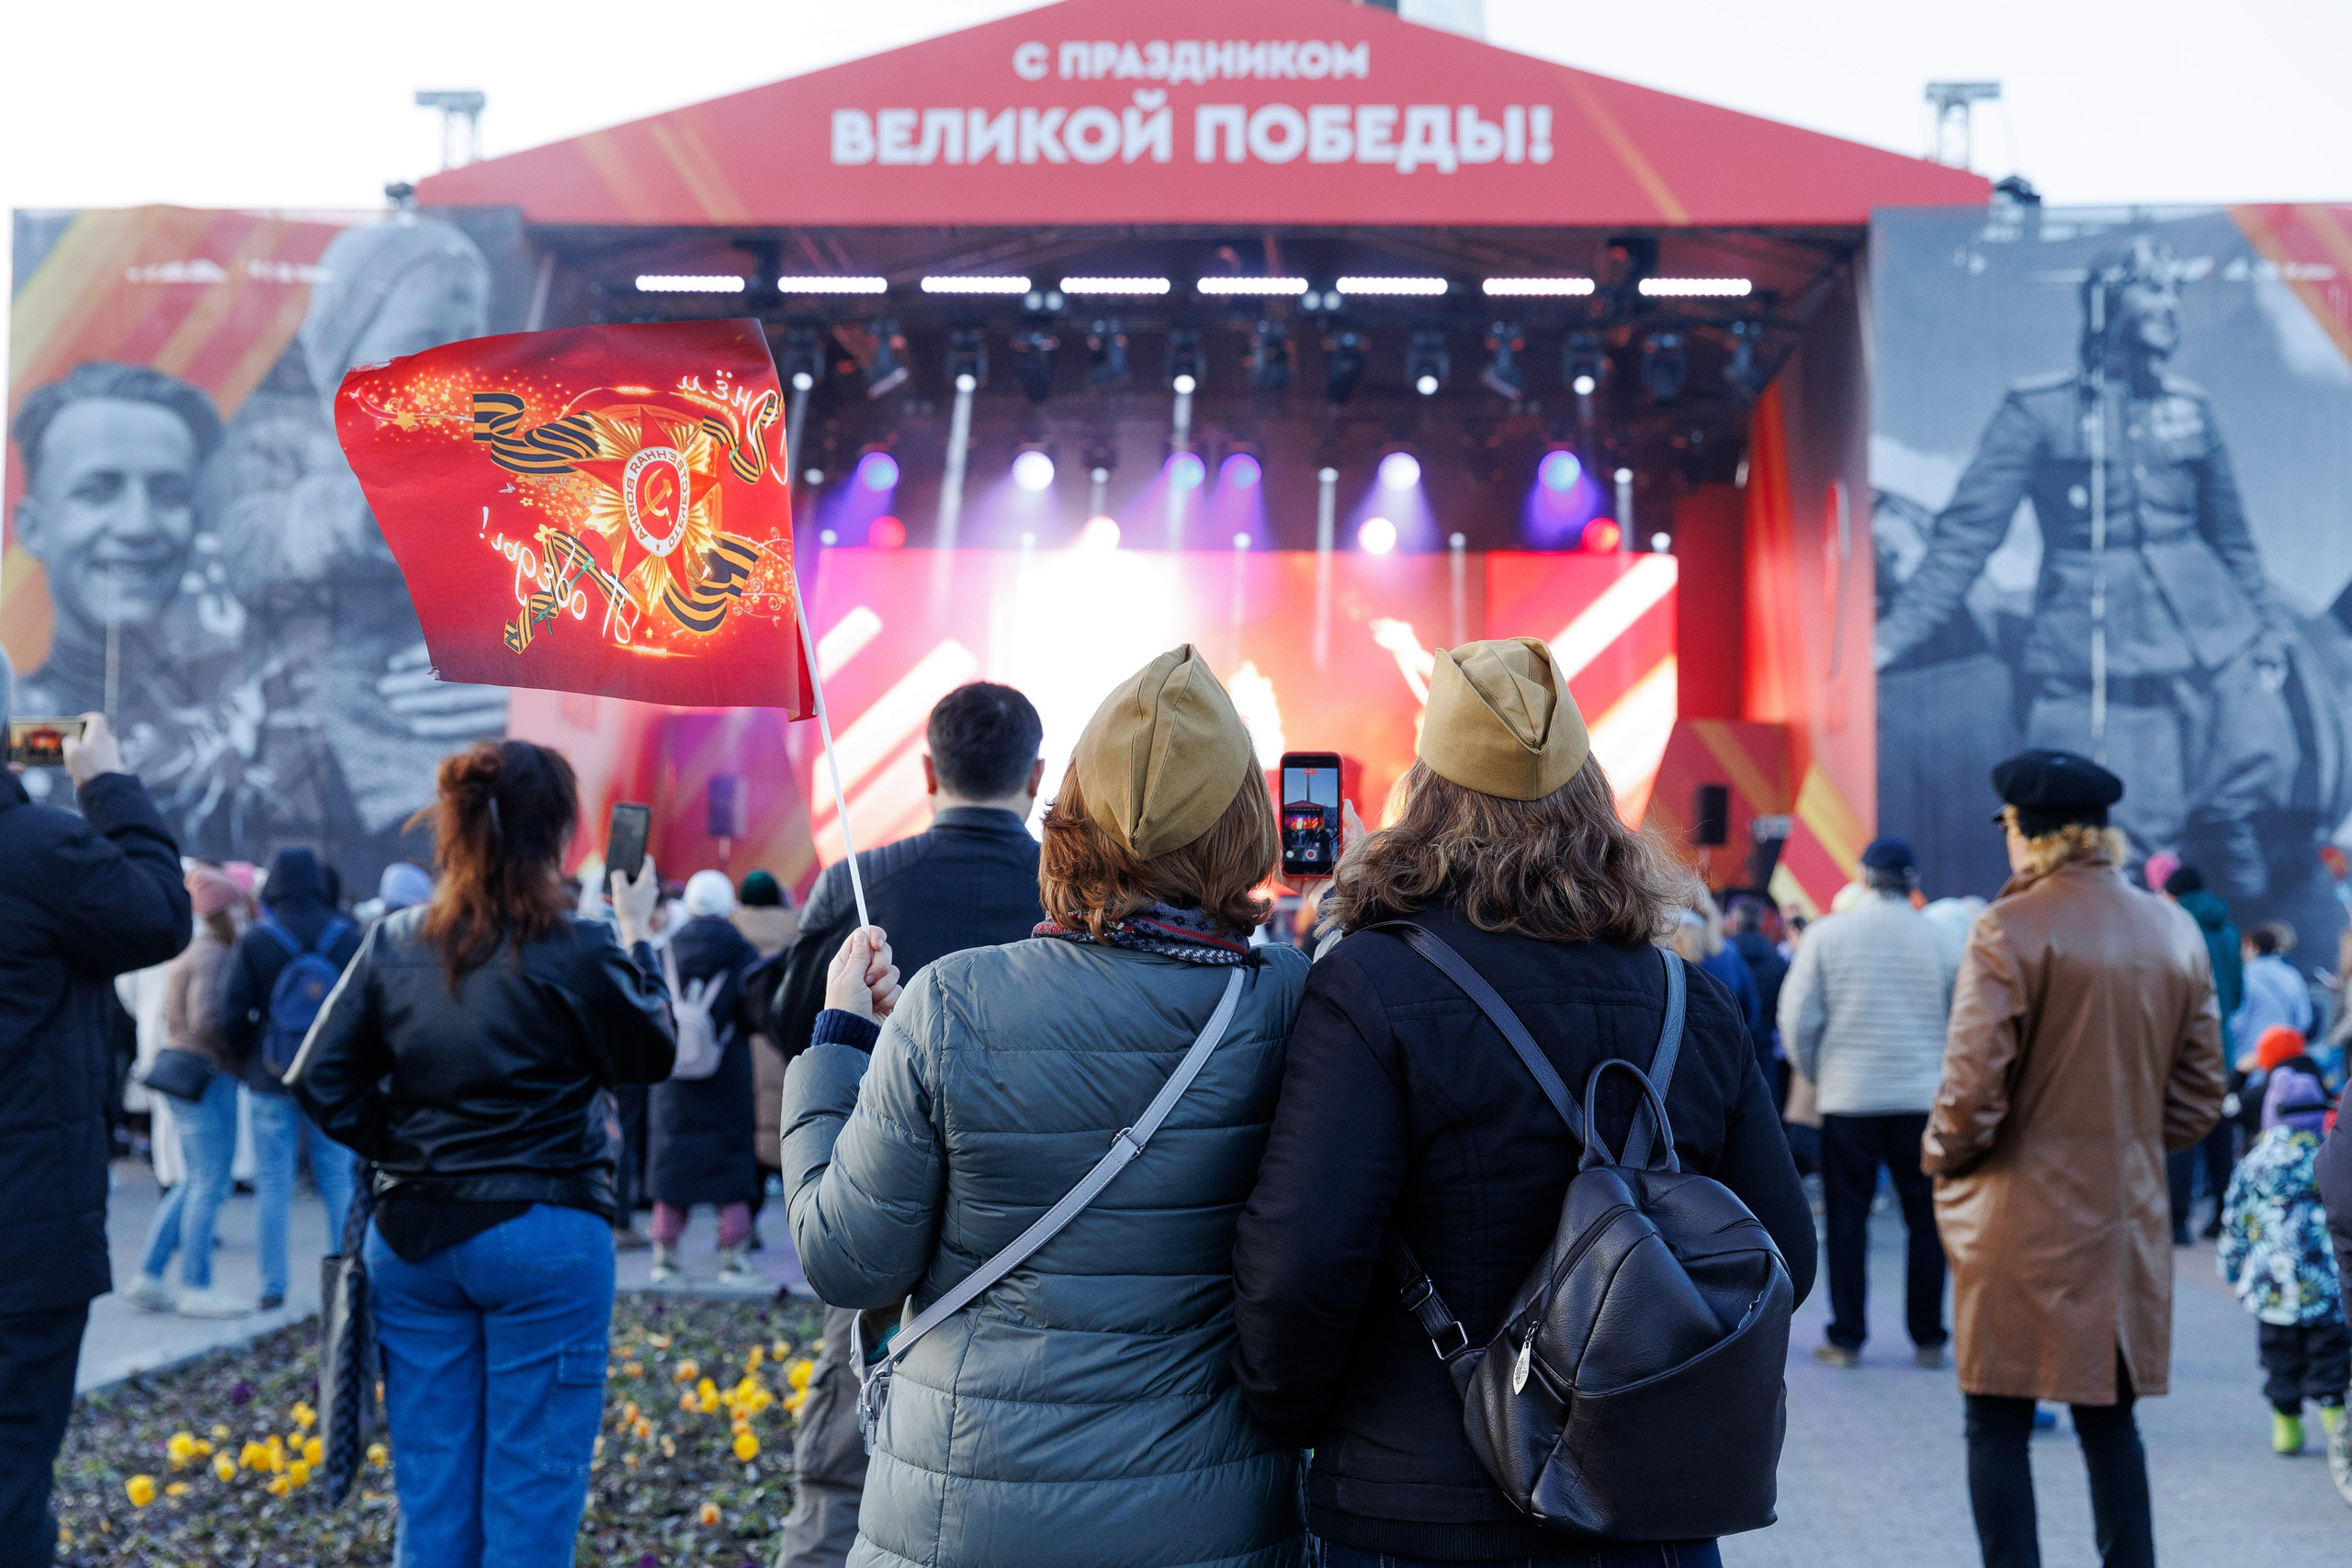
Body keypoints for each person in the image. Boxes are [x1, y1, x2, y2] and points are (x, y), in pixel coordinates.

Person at [1230, 637, 1815, 1568]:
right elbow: (1784, 1254)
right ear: (1592, 800)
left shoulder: (1371, 984)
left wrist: (1294, 1416)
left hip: (1419, 1505)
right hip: (1645, 1509)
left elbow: (1302, 1261)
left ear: (1424, 798)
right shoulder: (1687, 996)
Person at [781, 646, 1307, 1568]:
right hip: (1207, 1520)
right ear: (1244, 827)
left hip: (963, 1516)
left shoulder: (949, 1002)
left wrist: (839, 1045)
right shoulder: (1293, 1002)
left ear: (1066, 812)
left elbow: (847, 1262)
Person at [288, 740, 674, 1568]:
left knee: (431, 1504)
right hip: (547, 1233)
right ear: (558, 832)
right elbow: (651, 1054)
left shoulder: (396, 940)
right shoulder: (580, 944)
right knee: (532, 1502)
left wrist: (405, 1143)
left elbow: (318, 1078)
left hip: (416, 1236)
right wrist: (637, 932)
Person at [1874, 237, 2298, 899]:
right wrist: (1892, 638)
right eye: (2151, 289)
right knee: (2123, 833)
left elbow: (2234, 540)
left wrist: (2268, 630)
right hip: (2101, 657)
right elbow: (1966, 537)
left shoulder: (2194, 409)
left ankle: (2228, 875)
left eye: (2172, 293)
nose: (2168, 308)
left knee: (2261, 759)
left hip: (2210, 643)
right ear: (2107, 302)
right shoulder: (2039, 409)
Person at [764, 680, 1049, 1568]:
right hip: (1032, 1233)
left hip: (877, 1217)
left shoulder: (862, 883)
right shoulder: (1070, 890)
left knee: (844, 1467)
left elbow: (789, 1027)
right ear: (1036, 776)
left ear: (928, 768)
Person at [1927, 749, 2224, 1568]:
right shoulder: (2174, 926)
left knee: (1995, 1421)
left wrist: (1941, 1158)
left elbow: (1970, 1090)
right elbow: (2202, 1095)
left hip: (2014, 1219)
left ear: (2024, 829)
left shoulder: (2008, 926)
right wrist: (2122, 1139)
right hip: (2123, 1215)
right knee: (2110, 1421)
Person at [0, 709, 191, 1565]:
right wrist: (107, 784)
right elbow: (158, 915)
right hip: (23, 1233)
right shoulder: (36, 850)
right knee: (10, 1482)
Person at [1779, 836, 1958, 1370]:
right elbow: (1963, 1020)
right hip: (1922, 1098)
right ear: (1914, 881)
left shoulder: (1828, 935)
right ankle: (1928, 1338)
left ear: (1862, 877)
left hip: (1850, 1097)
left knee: (1847, 1221)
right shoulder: (1943, 938)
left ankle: (1847, 1337)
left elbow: (1796, 1018)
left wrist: (1820, 1072)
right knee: (1926, 1221)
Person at [219, 845, 363, 1312]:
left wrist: (251, 1062)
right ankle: (347, 1282)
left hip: (270, 1077)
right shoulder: (347, 936)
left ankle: (272, 1286)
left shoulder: (259, 939)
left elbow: (231, 1015)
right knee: (338, 1179)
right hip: (332, 1079)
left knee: (273, 1187)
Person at [123, 867, 254, 1316]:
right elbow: (209, 1021)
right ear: (222, 912)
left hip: (181, 1074)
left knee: (191, 1181)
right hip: (206, 1075)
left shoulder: (190, 950)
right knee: (209, 1183)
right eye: (236, 906)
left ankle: (151, 1275)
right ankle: (197, 1284)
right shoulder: (215, 954)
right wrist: (240, 1055)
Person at [2217, 1062, 2344, 1456]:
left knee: (2279, 1359)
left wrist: (2232, 1265)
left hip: (2273, 1288)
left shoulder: (2255, 1163)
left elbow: (2237, 1220)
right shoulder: (2332, 1156)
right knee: (2331, 1362)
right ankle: (2340, 1433)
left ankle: (2286, 1428)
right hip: (2328, 1286)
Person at [647, 868, 763, 1288]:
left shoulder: (665, 951)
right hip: (726, 1077)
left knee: (671, 1165)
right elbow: (756, 1013)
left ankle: (665, 1255)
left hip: (672, 1077)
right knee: (730, 1167)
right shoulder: (742, 952)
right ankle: (734, 1259)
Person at [2162, 863, 2245, 1240]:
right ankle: (2223, 1218)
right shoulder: (2228, 932)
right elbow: (2238, 995)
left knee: (2183, 1131)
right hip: (2222, 1047)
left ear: (2174, 894)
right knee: (2219, 1134)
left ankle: (2178, 1222)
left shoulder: (2174, 927)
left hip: (2183, 1046)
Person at [1724, 893, 1789, 1080]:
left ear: (1733, 923)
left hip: (1728, 1043)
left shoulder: (1722, 957)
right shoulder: (1777, 960)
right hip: (1764, 1045)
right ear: (1761, 923)